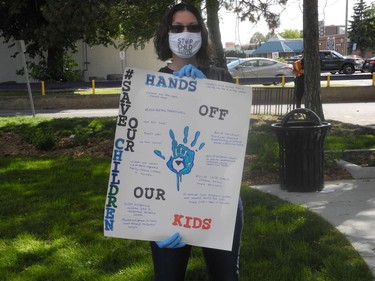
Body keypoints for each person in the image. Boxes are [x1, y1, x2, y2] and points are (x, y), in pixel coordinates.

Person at [151, 2, 243, 281]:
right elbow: (147, 152)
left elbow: (232, 140)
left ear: (202, 33)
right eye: (177, 28)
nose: (185, 34)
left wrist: (208, 91)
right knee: (167, 276)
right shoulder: (153, 84)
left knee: (226, 276)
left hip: (218, 197)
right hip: (170, 200)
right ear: (166, 34)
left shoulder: (221, 77)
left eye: (192, 27)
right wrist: (156, 220)